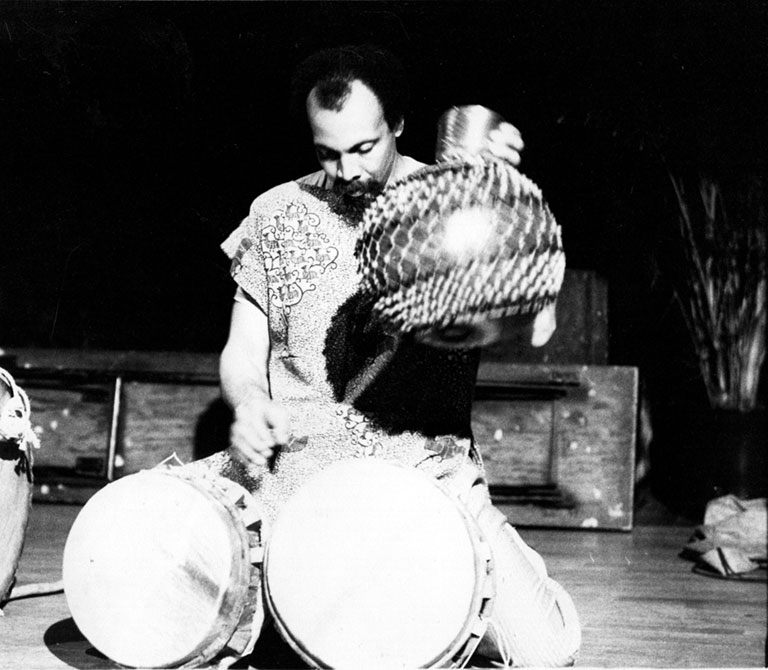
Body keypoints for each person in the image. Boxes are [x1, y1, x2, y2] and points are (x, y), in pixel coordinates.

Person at [207, 44, 581, 666]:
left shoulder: (449, 201)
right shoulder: (275, 214)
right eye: (328, 151)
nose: (347, 170)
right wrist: (247, 403)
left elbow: (531, 328)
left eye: (363, 148)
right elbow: (241, 352)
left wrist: (503, 201)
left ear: (398, 125)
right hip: (297, 479)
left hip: (425, 478)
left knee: (544, 651)